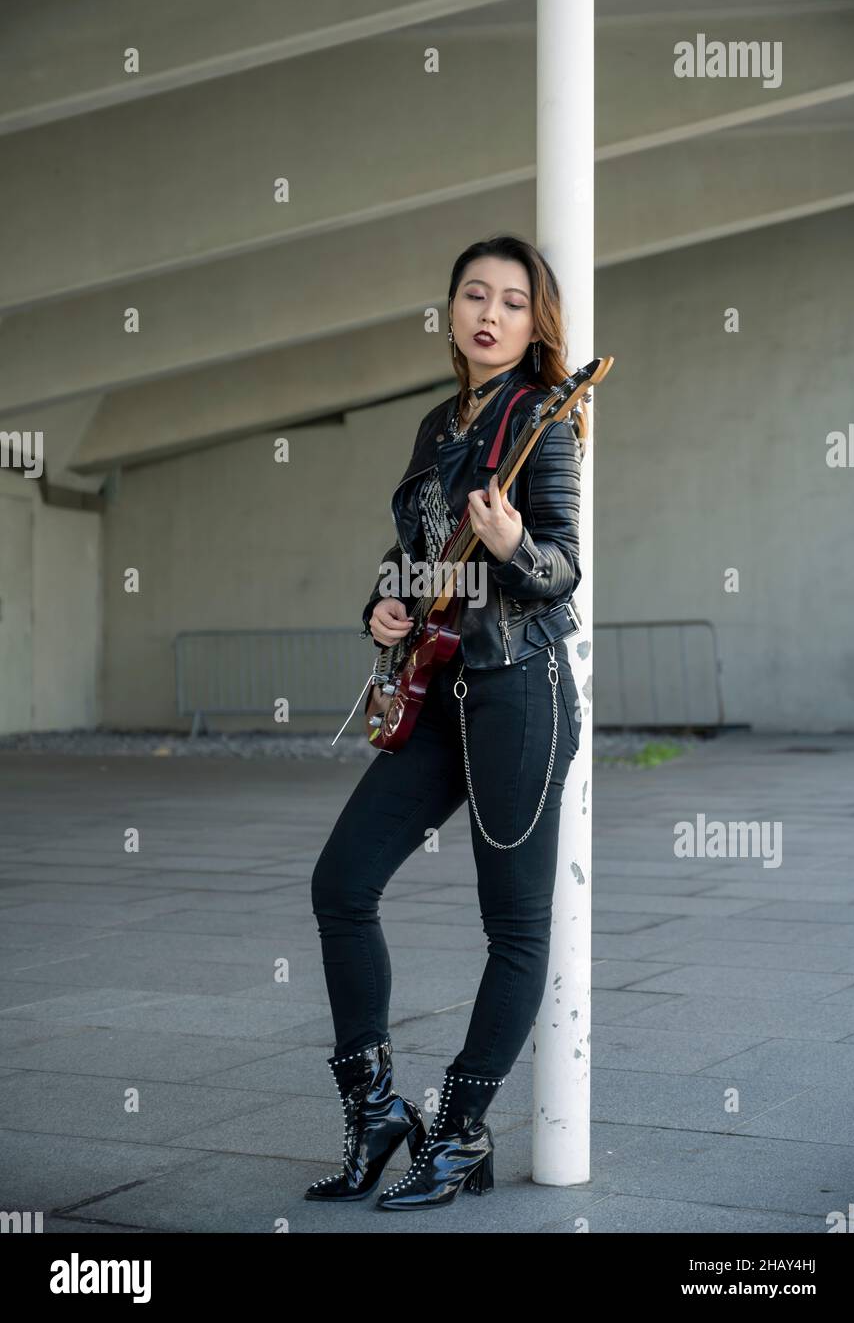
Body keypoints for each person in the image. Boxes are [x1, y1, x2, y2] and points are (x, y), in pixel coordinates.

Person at [307, 235, 584, 1212]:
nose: (490, 313)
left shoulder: (543, 417)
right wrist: (384, 599)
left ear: (533, 323)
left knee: (512, 924)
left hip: (517, 694)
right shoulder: (438, 422)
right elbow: (418, 546)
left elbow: (560, 571)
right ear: (452, 311)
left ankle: (460, 1134)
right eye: (475, 294)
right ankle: (378, 1108)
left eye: (513, 301)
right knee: (340, 884)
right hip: (435, 687)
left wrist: (513, 544)